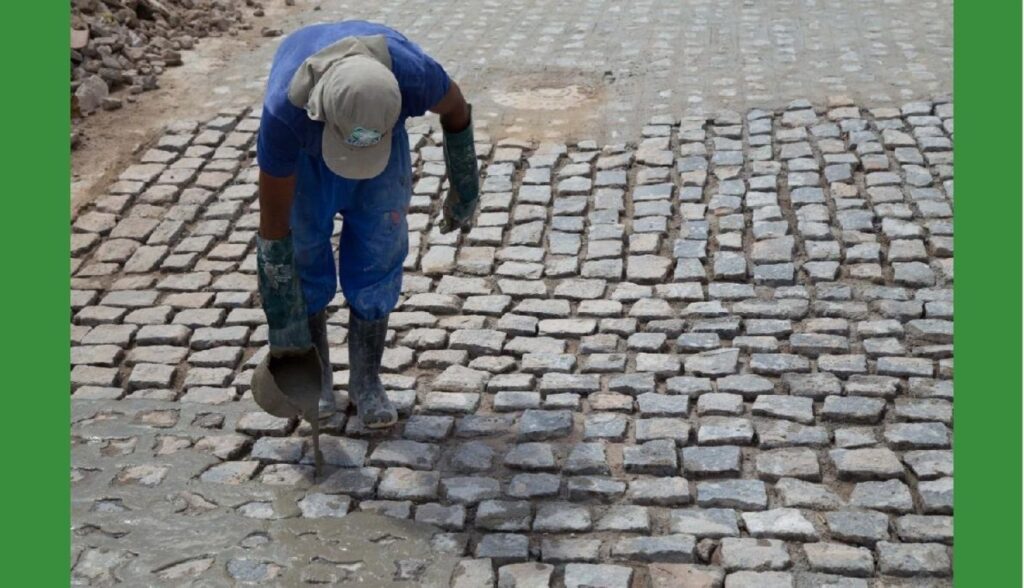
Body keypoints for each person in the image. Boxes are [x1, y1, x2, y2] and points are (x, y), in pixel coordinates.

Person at [254, 21, 479, 429]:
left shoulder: (414, 77)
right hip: (309, 158)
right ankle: (318, 377)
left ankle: (366, 380)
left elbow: (457, 111)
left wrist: (465, 184)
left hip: (383, 152)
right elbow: (274, 230)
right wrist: (285, 322)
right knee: (303, 251)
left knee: (380, 246)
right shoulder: (285, 113)